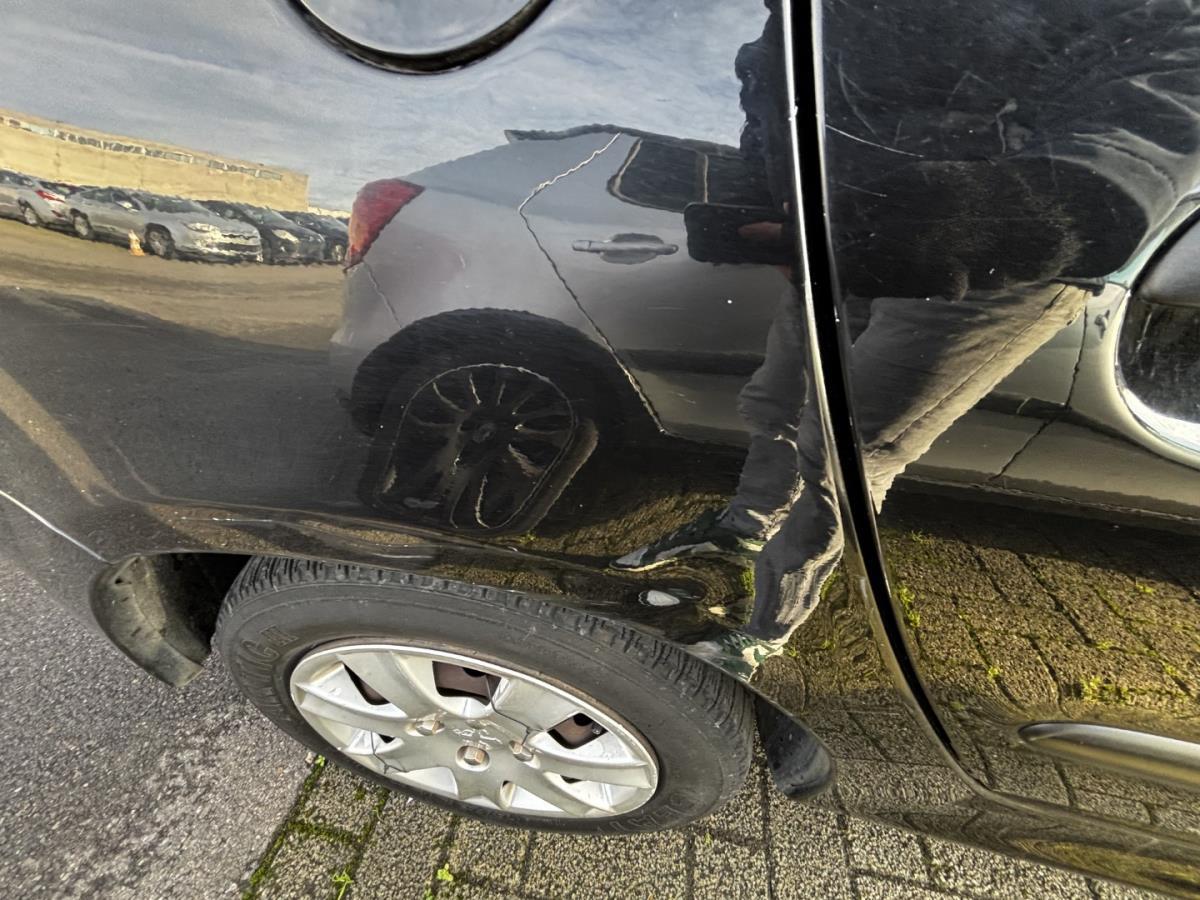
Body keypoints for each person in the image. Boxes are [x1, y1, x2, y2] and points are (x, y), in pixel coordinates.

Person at [616, 0, 1200, 675]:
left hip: (994, 267)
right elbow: (773, 84)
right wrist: (770, 207)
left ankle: (764, 630)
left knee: (846, 457)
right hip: (834, 233)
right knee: (776, 401)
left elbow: (1141, 130)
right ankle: (743, 530)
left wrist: (971, 221)